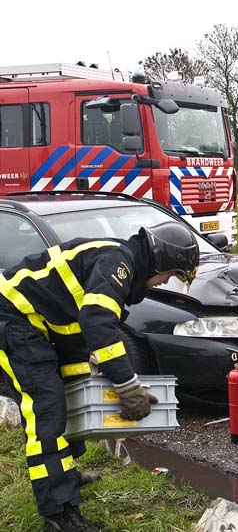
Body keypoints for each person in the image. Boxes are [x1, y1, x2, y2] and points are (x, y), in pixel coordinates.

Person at [0, 221, 199, 532]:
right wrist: (128, 386)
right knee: (46, 411)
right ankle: (59, 514)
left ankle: (63, 475)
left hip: (39, 325)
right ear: (160, 261)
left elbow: (79, 329)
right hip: (12, 320)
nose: (162, 283)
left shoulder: (120, 262)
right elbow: (98, 324)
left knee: (72, 393)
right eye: (169, 275)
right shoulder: (117, 262)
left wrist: (100, 387)